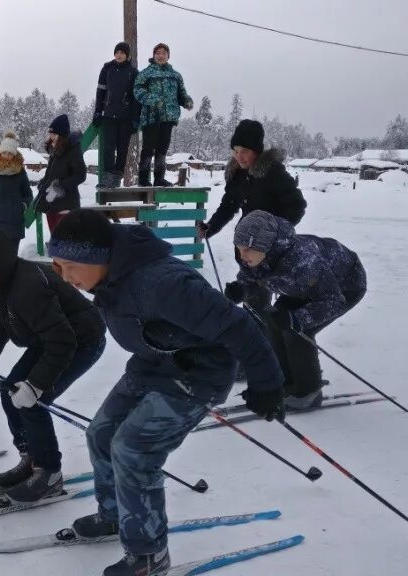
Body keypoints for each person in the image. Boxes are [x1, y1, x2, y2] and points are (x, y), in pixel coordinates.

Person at [47, 208, 284, 576]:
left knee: (134, 450)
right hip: (155, 361)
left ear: (97, 257)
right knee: (101, 434)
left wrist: (267, 383)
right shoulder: (108, 276)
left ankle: (148, 556)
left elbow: (240, 326)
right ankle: (115, 516)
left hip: (199, 372)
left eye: (69, 265)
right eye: (56, 267)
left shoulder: (164, 283)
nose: (64, 277)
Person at [0, 222, 106, 503]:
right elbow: (0, 321)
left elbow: (63, 341)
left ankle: (49, 473)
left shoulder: (28, 287)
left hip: (80, 342)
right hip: (50, 340)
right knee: (10, 389)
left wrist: (36, 384)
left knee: (32, 399)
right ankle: (31, 458)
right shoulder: (1, 283)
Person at [225, 210, 367, 409]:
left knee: (297, 330)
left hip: (344, 287)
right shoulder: (256, 255)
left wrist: (297, 319)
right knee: (275, 323)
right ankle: (285, 380)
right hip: (301, 287)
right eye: (238, 249)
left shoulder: (302, 260)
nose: (242, 255)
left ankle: (308, 391)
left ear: (263, 244)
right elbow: (251, 278)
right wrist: (241, 289)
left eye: (246, 249)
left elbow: (333, 301)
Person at [199, 119, 308, 312]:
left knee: (259, 297)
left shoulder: (273, 173)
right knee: (252, 295)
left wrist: (274, 234)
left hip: (269, 250)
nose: (239, 156)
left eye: (245, 151)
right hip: (244, 247)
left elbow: (297, 206)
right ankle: (255, 327)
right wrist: (211, 227)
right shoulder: (237, 174)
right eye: (235, 150)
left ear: (256, 150)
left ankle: (261, 332)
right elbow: (229, 205)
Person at [133, 43, 192, 187]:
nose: (160, 55)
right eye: (158, 53)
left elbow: (181, 93)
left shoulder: (175, 75)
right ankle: (143, 179)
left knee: (162, 148)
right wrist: (152, 100)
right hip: (151, 116)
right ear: (154, 55)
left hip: (169, 116)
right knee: (148, 148)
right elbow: (137, 90)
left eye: (163, 53)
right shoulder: (146, 73)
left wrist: (186, 101)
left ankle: (159, 177)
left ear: (168, 56)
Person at [93, 41, 139, 189]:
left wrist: (135, 119)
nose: (119, 55)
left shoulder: (133, 72)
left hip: (125, 118)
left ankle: (116, 178)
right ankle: (107, 178)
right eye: (117, 52)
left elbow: (136, 98)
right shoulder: (107, 69)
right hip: (109, 115)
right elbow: (100, 92)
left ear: (127, 55)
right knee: (108, 147)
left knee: (122, 148)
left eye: (122, 53)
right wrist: (97, 111)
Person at [36, 114, 86, 233]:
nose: (51, 137)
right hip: (52, 204)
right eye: (51, 134)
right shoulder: (55, 150)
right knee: (56, 241)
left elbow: (80, 175)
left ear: (61, 135)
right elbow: (51, 174)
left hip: (66, 205)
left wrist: (60, 186)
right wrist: (43, 184)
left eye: (54, 134)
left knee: (65, 242)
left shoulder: (72, 150)